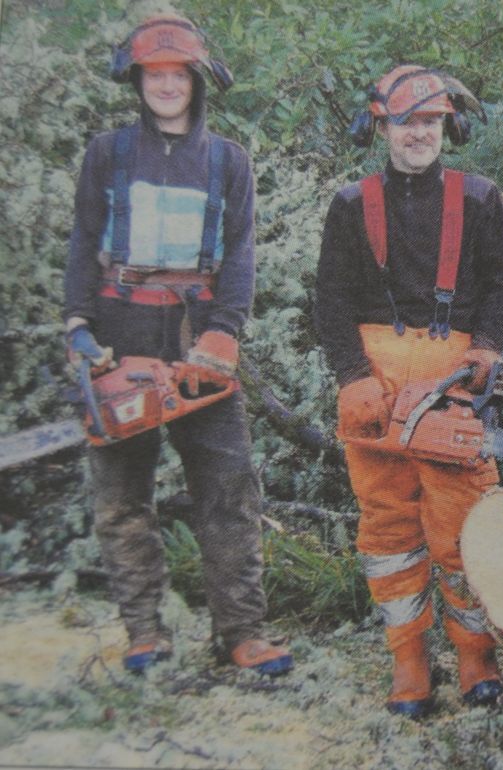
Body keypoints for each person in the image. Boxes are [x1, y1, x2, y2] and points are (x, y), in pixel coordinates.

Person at [63, 15, 292, 677]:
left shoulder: (228, 160)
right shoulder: (108, 153)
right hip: (119, 324)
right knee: (122, 496)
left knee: (228, 489)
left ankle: (242, 632)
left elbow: (242, 255)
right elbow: (83, 243)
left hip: (198, 333)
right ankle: (143, 632)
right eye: (154, 74)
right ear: (138, 80)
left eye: (177, 74)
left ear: (196, 80)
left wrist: (225, 331)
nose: (166, 85)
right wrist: (78, 325)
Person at [315, 64, 503, 717]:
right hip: (374, 377)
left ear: (448, 125)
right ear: (383, 124)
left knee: (462, 523)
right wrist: (351, 375)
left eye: (431, 120)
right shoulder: (351, 205)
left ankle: (474, 654)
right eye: (407, 121)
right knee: (386, 525)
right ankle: (408, 656)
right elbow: (331, 298)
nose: (419, 134)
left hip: (452, 377)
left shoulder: (480, 198)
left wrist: (487, 346)